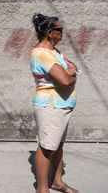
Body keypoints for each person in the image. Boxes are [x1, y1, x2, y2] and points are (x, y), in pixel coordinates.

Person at [30, 13, 79, 193]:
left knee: (57, 145)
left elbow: (72, 66)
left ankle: (57, 182)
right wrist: (71, 74)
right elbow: (66, 79)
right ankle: (42, 189)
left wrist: (70, 72)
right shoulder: (42, 54)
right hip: (50, 105)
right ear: (50, 33)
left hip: (61, 105)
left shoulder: (54, 52)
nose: (62, 33)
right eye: (60, 30)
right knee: (46, 147)